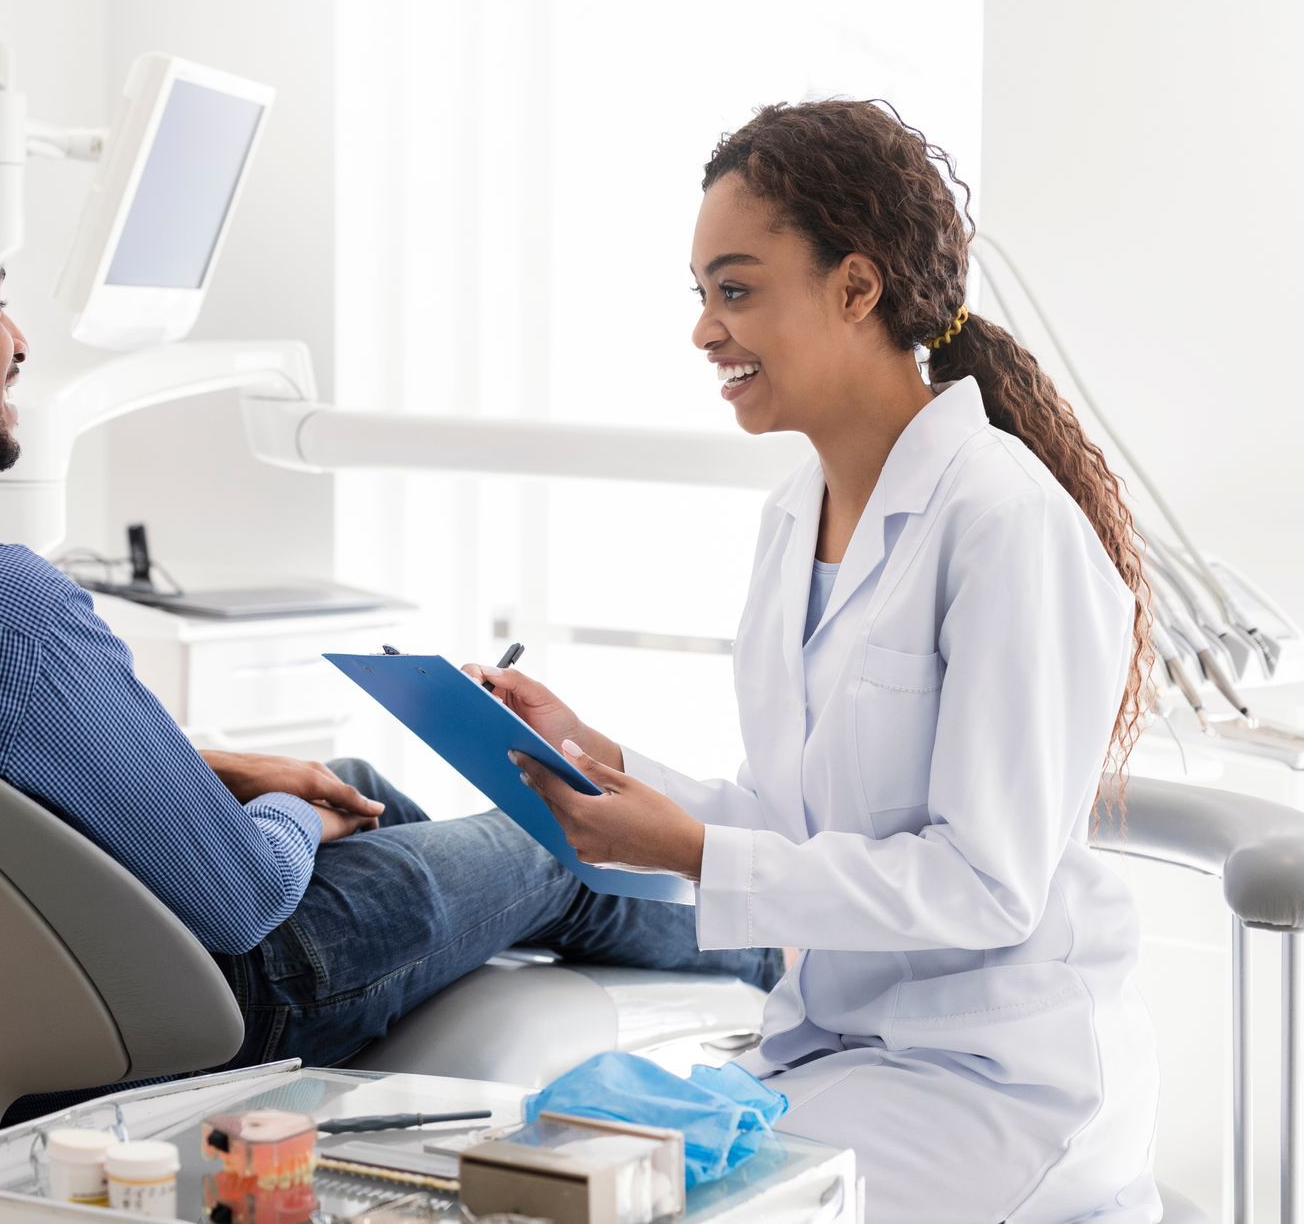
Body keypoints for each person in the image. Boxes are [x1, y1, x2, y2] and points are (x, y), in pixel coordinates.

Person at [0, 161, 780, 1114]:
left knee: (362, 780)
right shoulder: (3, 611)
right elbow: (236, 901)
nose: (17, 340)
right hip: (209, 995)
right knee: (535, 839)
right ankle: (783, 954)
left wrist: (237, 771)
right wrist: (288, 809)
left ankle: (487, 921)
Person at [494, 100, 1161, 1222]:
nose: (706, 330)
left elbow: (987, 883)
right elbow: (793, 816)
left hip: (994, 1077)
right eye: (702, 294)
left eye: (738, 288)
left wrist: (700, 850)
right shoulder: (795, 513)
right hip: (842, 1044)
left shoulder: (1005, 521)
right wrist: (606, 764)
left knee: (639, 1204)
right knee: (542, 1162)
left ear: (856, 288)